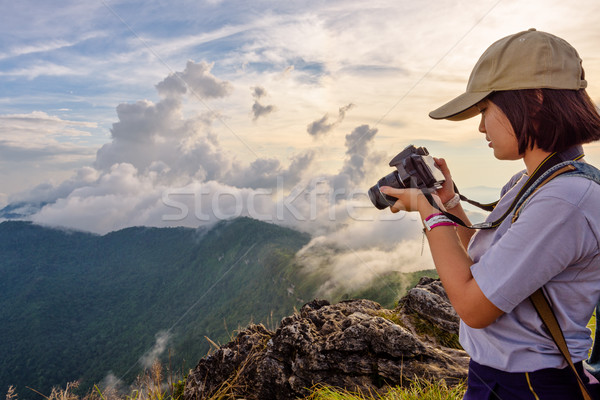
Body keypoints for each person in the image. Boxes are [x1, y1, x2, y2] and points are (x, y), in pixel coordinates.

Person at [380, 28, 600, 399]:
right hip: (494, 374)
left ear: (533, 100)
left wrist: (428, 213)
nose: (481, 126)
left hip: (533, 385)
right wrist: (449, 203)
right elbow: (486, 262)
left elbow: (473, 308)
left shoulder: (566, 200)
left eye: (485, 109)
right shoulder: (532, 181)